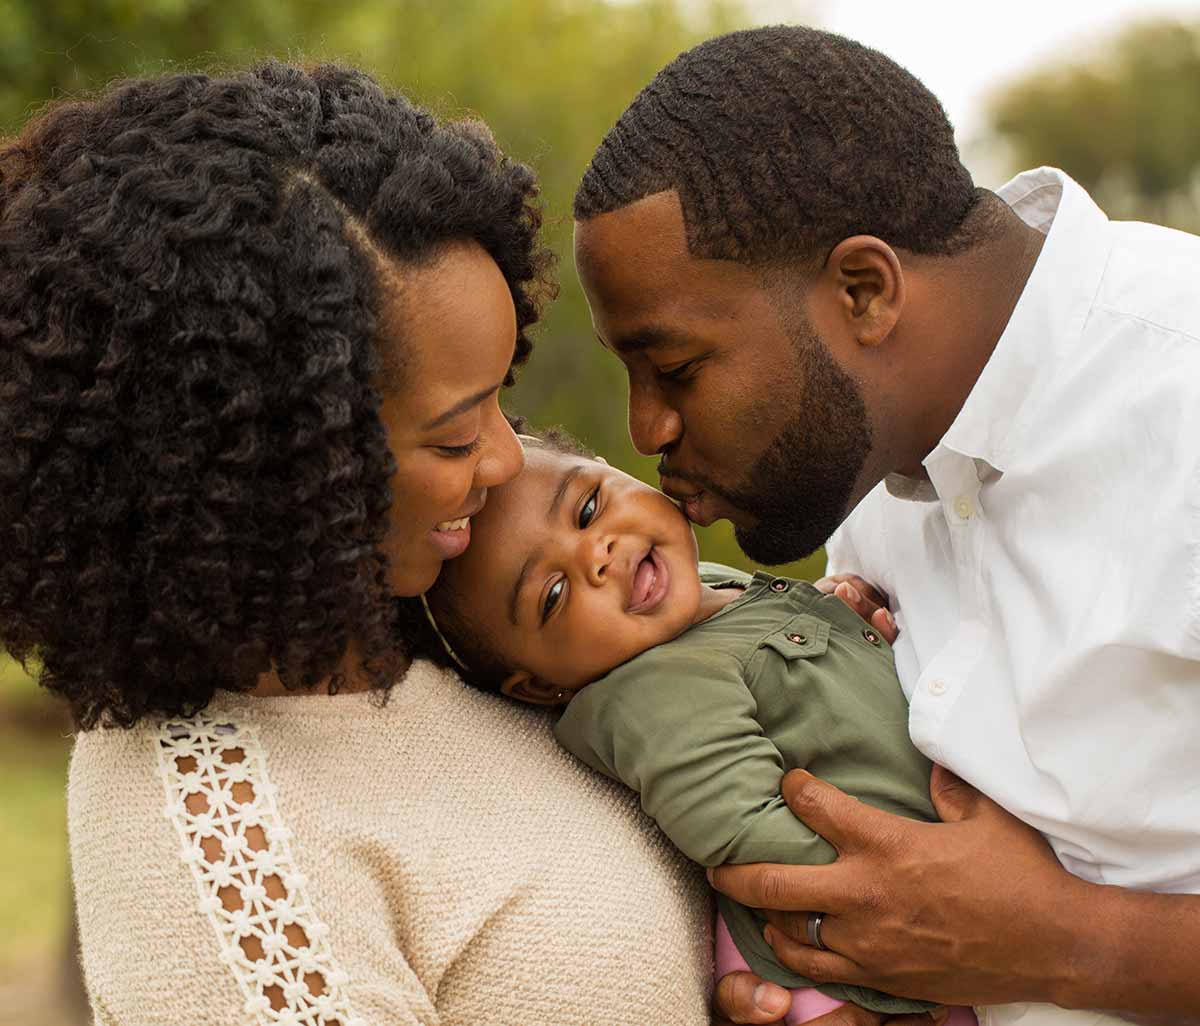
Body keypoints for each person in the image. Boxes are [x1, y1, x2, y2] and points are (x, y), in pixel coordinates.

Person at [0, 63, 718, 1024]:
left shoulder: (466, 628)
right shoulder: (222, 847)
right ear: (275, 468)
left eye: (504, 397)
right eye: (457, 436)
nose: (509, 463)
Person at [571, 24, 1200, 1026]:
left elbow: (1013, 931)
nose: (646, 428)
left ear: (864, 290)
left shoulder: (1180, 399)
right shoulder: (873, 469)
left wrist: (1075, 945)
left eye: (677, 367)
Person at [422, 431, 978, 1026]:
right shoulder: (649, 695)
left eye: (588, 508)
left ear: (612, 468)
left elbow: (765, 649)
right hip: (870, 964)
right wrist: (945, 888)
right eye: (554, 594)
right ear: (536, 685)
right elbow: (752, 838)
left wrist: (831, 624)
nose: (597, 556)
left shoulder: (706, 592)